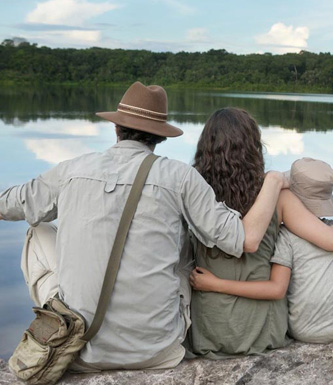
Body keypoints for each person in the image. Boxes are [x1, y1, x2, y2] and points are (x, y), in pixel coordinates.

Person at [1, 82, 292, 371]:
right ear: (159, 137)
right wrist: (275, 180)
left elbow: (8, 204)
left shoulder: (71, 170)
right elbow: (244, 240)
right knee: (184, 242)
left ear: (116, 129)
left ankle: (63, 320)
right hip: (158, 350)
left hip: (83, 350)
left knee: (37, 231)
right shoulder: (180, 177)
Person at [186, 107, 333, 359]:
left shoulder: (193, 191)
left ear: (205, 149)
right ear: (254, 147)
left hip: (209, 329)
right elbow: (331, 241)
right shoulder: (277, 196)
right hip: (263, 331)